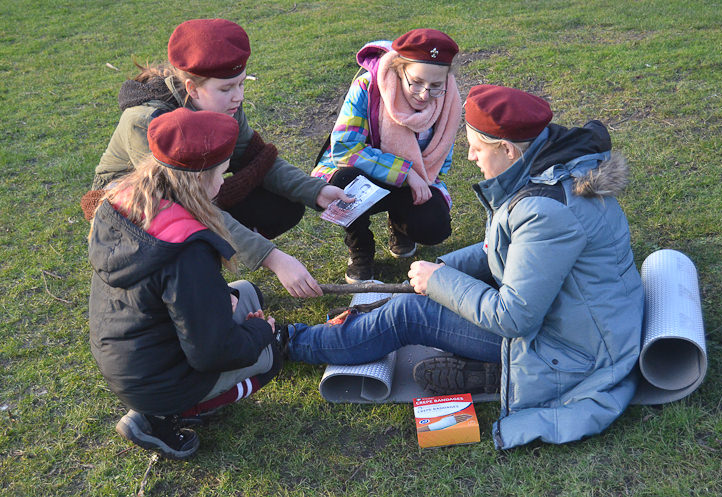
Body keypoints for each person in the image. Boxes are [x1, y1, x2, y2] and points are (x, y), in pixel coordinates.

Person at [286, 85, 644, 450]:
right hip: (575, 327)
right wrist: (438, 270)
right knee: (417, 297)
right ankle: (493, 371)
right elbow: (503, 250)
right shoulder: (550, 174)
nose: (471, 156)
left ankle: (291, 342)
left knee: (408, 313)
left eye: (476, 146)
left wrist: (440, 281)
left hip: (570, 351)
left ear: (507, 149)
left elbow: (513, 318)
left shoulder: (546, 211)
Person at [82, 18, 351, 298]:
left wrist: (317, 191)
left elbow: (254, 158)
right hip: (133, 212)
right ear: (192, 88)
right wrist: (274, 259)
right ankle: (187, 281)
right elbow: (185, 205)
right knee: (187, 225)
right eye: (227, 89)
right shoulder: (147, 123)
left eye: (241, 84)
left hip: (192, 194)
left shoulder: (226, 106)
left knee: (283, 204)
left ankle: (206, 265)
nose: (238, 97)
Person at [88, 108, 286, 459]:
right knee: (269, 358)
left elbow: (159, 294)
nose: (224, 183)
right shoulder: (187, 251)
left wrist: (219, 299)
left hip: (126, 354)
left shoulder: (124, 201)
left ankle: (159, 403)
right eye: (221, 174)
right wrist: (261, 334)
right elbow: (211, 352)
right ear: (197, 179)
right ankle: (164, 416)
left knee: (247, 293)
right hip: (156, 380)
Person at [311, 29, 462, 283]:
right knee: (343, 182)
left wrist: (416, 179)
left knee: (434, 225)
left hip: (414, 179)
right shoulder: (368, 87)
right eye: (416, 82)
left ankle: (401, 224)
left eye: (436, 86)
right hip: (365, 175)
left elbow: (441, 162)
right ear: (399, 69)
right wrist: (405, 174)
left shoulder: (448, 101)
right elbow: (345, 148)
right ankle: (360, 246)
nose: (425, 95)